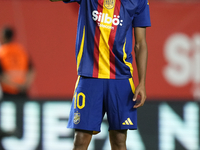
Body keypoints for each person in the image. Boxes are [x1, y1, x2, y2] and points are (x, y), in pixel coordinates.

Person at [51, 0, 151, 150]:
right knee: (81, 139)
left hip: (121, 78)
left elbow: (140, 43)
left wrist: (142, 82)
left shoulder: (138, 1)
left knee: (119, 140)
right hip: (90, 77)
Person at [0, 26, 35, 145]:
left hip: (7, 93)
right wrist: (25, 85)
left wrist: (13, 85)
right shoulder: (21, 50)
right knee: (22, 120)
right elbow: (31, 70)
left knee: (7, 123)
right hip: (22, 92)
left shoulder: (2, 52)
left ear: (4, 36)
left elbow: (2, 76)